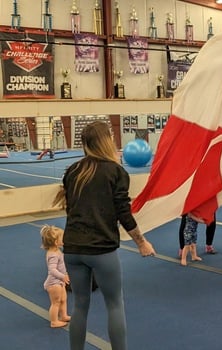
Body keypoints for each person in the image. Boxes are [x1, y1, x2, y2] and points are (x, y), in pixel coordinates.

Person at [52, 121, 156, 350]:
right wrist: (142, 242)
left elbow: (71, 210)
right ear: (107, 141)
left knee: (80, 305)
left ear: (84, 143)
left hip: (72, 249)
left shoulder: (73, 171)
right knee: (115, 305)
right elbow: (123, 213)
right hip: (101, 250)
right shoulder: (115, 171)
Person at [40, 225, 71, 328]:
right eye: (62, 237)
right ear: (56, 242)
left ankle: (63, 316)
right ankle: (54, 321)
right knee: (56, 302)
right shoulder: (53, 255)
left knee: (63, 299)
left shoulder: (57, 251)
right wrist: (62, 276)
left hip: (59, 281)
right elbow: (52, 270)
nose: (64, 238)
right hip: (54, 283)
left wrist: (64, 275)